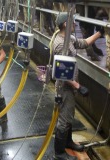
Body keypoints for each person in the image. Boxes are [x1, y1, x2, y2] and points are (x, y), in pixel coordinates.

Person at [52, 13, 104, 160]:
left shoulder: (69, 38)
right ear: (64, 25)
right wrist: (78, 86)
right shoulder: (60, 43)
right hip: (64, 88)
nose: (75, 24)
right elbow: (60, 72)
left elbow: (83, 43)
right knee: (64, 119)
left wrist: (100, 32)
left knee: (68, 116)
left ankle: (68, 142)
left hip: (70, 87)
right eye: (72, 22)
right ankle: (59, 153)